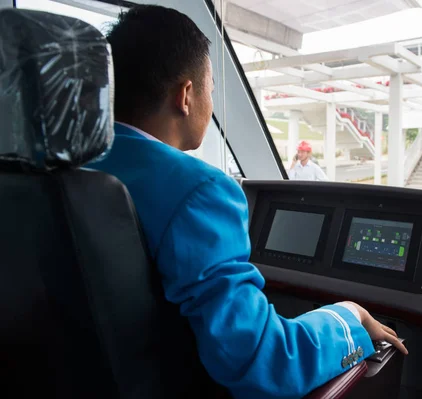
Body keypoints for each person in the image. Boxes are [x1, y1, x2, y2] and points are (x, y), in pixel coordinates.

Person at [88, 5, 406, 399]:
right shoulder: (198, 191)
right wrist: (349, 316)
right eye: (212, 89)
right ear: (186, 95)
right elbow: (264, 361)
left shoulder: (69, 167)